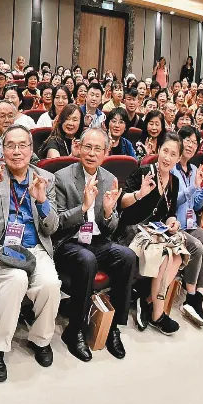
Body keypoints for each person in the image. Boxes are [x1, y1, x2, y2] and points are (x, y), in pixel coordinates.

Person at [0, 125, 60, 381]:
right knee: (16, 279)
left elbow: (52, 226)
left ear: (31, 150)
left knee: (50, 284)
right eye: (10, 145)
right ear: (2, 149)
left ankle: (40, 340)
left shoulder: (44, 178)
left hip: (34, 248)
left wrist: (42, 201)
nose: (17, 151)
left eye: (23, 145)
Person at [50, 127, 135, 362]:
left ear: (106, 152)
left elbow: (111, 227)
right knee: (87, 260)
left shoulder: (109, 179)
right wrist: (84, 208)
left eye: (98, 148)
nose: (91, 153)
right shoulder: (62, 177)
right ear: (78, 147)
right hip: (69, 242)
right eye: (87, 147)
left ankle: (113, 327)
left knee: (127, 256)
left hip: (97, 240)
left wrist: (108, 212)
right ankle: (74, 329)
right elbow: (56, 223)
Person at [118, 131, 189, 335]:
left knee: (178, 254)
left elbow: (170, 214)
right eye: (164, 151)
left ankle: (147, 299)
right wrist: (140, 194)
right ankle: (158, 315)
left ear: (178, 158)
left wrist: (173, 222)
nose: (167, 158)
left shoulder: (174, 183)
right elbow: (121, 203)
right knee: (167, 255)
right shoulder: (144, 172)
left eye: (172, 154)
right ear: (158, 151)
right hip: (132, 229)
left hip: (155, 232)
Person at [171, 127, 203, 326]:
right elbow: (172, 201)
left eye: (194, 142)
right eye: (187, 141)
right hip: (174, 224)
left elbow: (196, 205)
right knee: (197, 247)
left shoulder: (193, 170)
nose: (190, 145)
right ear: (179, 142)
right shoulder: (172, 167)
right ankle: (190, 298)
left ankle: (198, 298)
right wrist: (192, 187)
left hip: (190, 224)